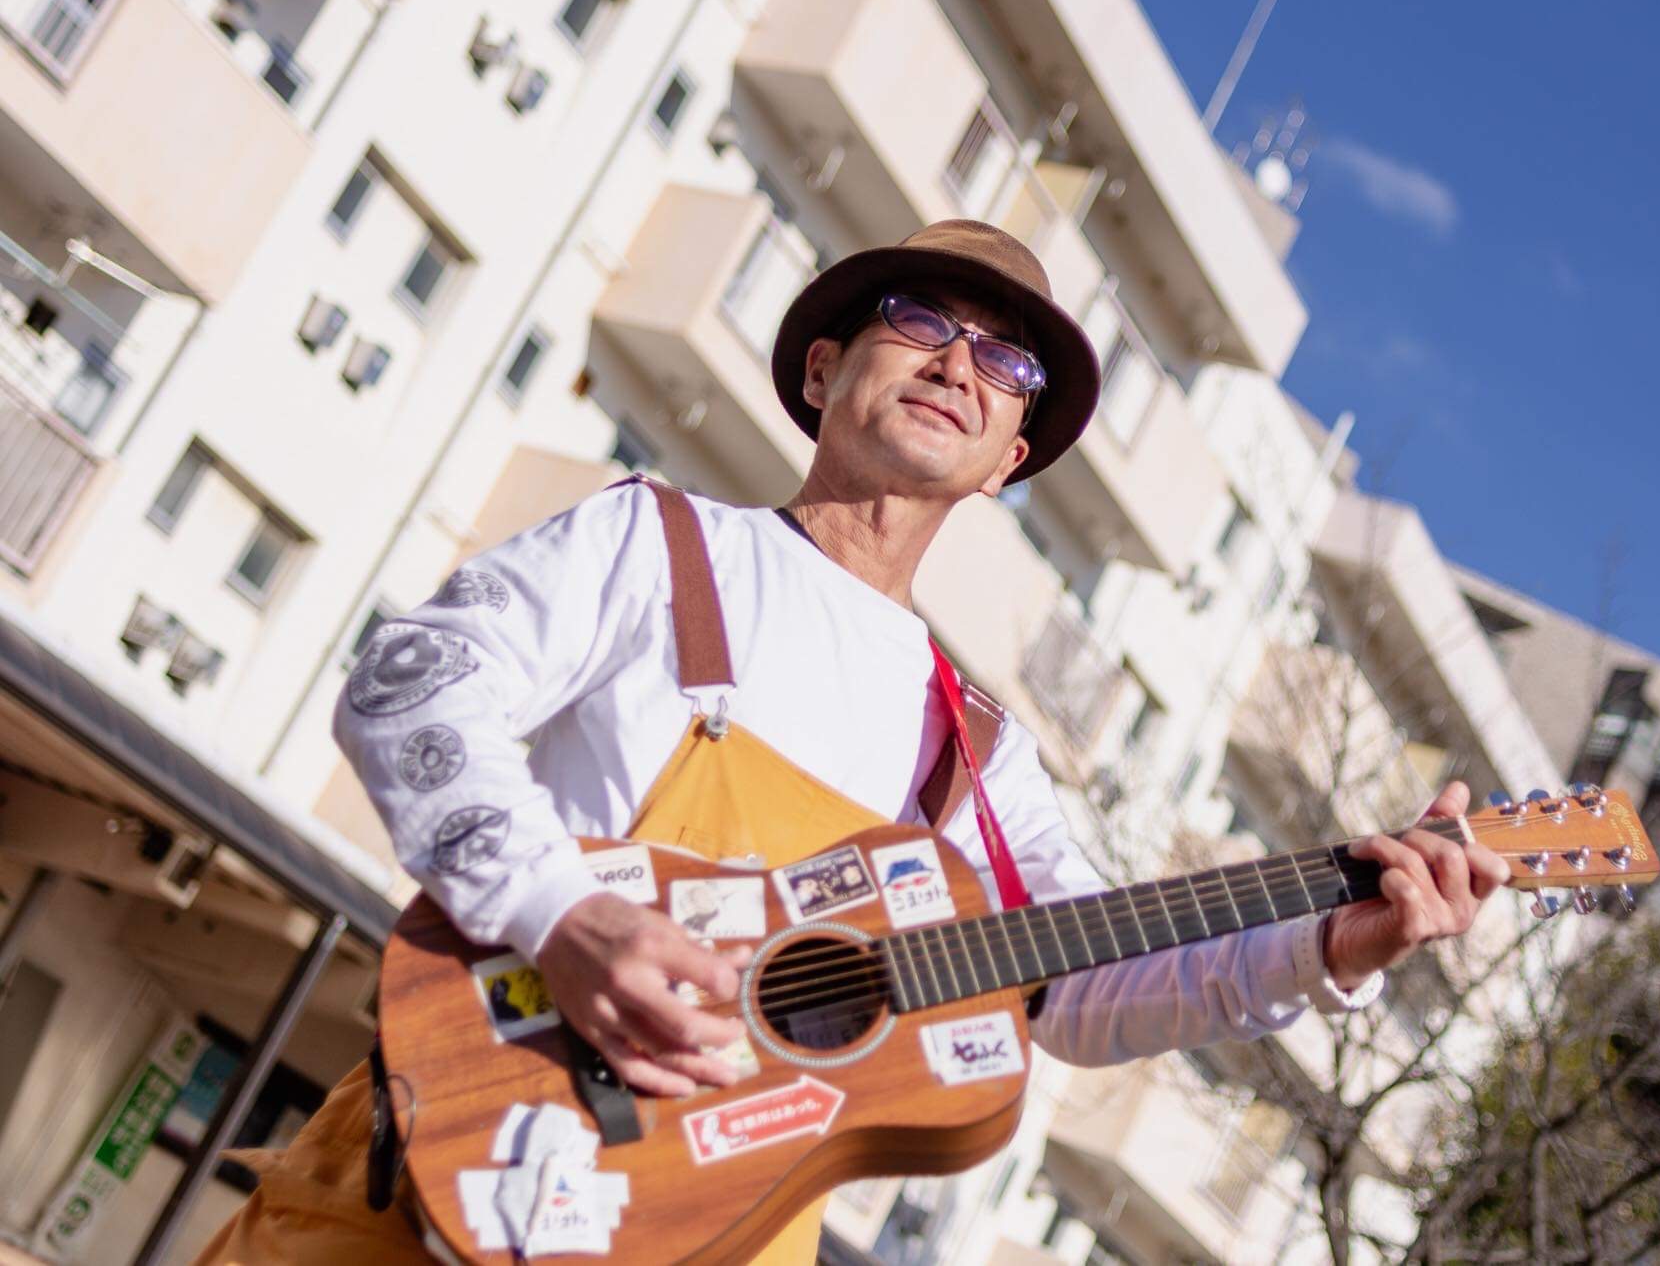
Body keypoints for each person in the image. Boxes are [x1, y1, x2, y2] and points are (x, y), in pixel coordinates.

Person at [197, 220, 1509, 1264]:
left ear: (1006, 461)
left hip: (732, 1235)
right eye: (923, 320)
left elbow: (1078, 989)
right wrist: (566, 916)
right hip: (454, 1163)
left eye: (1008, 363)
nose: (959, 364)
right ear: (824, 372)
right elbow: (412, 686)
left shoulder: (974, 750)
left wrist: (1334, 942)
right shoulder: (657, 544)